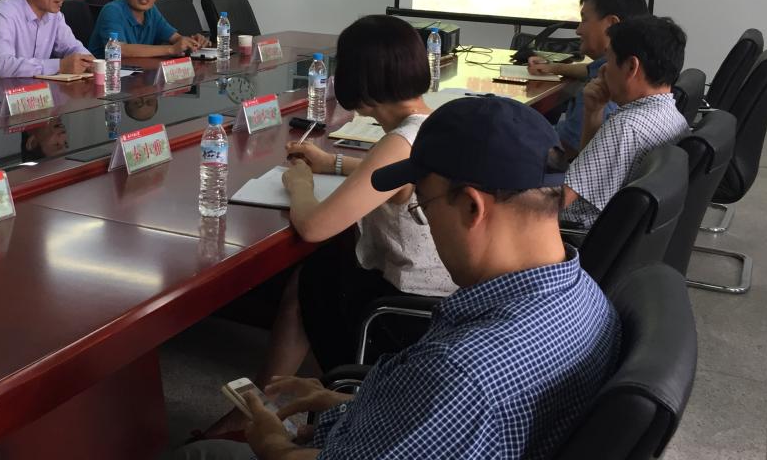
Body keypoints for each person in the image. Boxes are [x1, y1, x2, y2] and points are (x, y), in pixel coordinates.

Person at [175, 97, 620, 460]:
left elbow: (458, 401)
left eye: (422, 204)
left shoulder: (464, 371)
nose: (425, 219)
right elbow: (441, 428)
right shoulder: (586, 297)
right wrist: (345, 402)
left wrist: (272, 443)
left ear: (472, 207)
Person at [204, 15, 450, 439]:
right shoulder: (431, 123)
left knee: (316, 272)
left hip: (406, 312)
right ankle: (267, 402)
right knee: (316, 273)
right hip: (438, 298)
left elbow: (315, 226)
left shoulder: (398, 142)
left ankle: (285, 408)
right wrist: (332, 162)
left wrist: (299, 183)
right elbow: (393, 178)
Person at [562, 15, 690, 229]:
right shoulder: (674, 116)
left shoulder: (626, 126)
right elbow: (590, 170)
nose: (603, 70)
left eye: (609, 60)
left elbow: (560, 200)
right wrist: (594, 112)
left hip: (570, 233)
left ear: (631, 66)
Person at [528, 0, 649, 161]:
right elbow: (589, 69)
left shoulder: (599, 90)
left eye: (584, 20)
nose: (578, 30)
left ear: (611, 25)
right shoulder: (627, 70)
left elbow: (563, 155)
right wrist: (551, 67)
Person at [88, 0, 209, 57]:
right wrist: (171, 49)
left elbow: (175, 38)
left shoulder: (151, 11)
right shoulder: (112, 10)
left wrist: (191, 42)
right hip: (106, 77)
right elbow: (119, 50)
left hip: (139, 74)